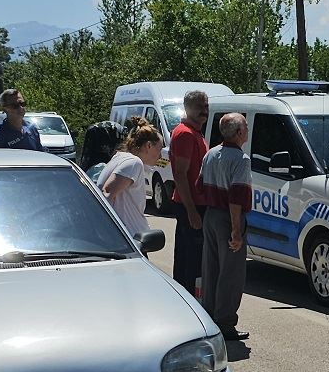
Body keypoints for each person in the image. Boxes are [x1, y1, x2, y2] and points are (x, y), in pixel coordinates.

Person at [198, 112, 251, 341]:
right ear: (239, 132)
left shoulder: (210, 154)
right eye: (246, 126)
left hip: (211, 215)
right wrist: (236, 231)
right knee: (231, 273)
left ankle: (209, 316)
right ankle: (226, 323)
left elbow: (200, 186)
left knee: (211, 269)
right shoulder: (241, 159)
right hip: (228, 218)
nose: (247, 130)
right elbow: (236, 198)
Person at [169, 89, 212, 294]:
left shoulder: (195, 132)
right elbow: (180, 174)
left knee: (193, 261)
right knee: (190, 263)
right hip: (191, 206)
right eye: (199, 107)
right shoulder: (185, 133)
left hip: (197, 205)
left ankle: (190, 300)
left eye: (206, 106)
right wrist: (192, 211)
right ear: (187, 108)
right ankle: (188, 302)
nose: (204, 110)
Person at [98, 124, 163, 239]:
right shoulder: (134, 162)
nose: (161, 156)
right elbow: (107, 193)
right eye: (159, 149)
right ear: (148, 145)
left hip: (126, 238)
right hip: (128, 240)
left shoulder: (119, 158)